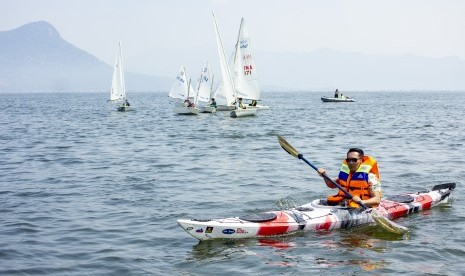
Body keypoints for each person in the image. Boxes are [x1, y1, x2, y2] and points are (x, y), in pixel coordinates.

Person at [317, 148, 381, 208]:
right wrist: (324, 175)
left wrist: (361, 201)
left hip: (360, 206)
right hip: (344, 204)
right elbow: (331, 184)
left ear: (361, 160)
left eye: (354, 160)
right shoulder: (346, 174)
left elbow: (377, 200)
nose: (351, 163)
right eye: (348, 160)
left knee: (353, 205)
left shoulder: (371, 177)